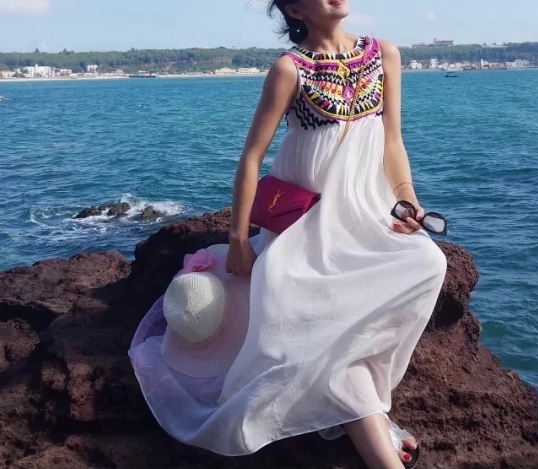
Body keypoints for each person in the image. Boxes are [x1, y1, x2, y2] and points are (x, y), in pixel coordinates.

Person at [129, 1, 447, 469]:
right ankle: (377, 429)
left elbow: (392, 141)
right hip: (305, 226)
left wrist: (407, 202)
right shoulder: (289, 69)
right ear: (296, 8)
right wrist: (239, 240)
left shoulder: (384, 54)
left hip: (366, 214)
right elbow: (251, 158)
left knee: (429, 262)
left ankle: (368, 416)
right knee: (317, 328)